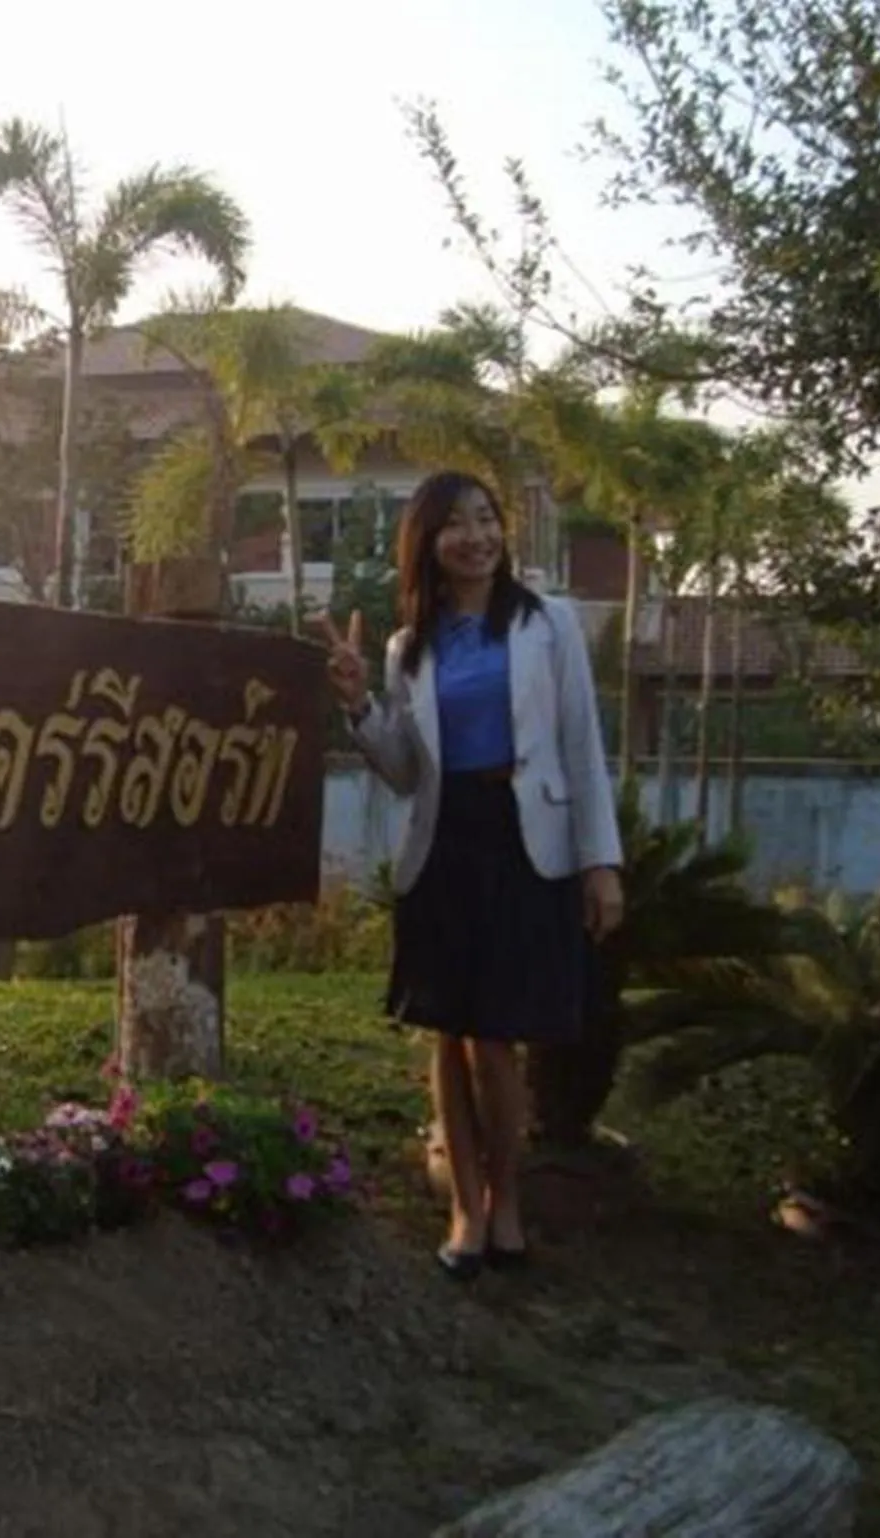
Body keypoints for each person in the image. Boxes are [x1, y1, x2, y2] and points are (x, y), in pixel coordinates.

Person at [321, 469, 624, 1280]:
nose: (475, 536)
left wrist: (600, 863)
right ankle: (465, 1210)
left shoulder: (548, 623)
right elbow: (404, 771)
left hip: (526, 842)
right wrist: (358, 706)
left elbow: (581, 748)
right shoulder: (408, 647)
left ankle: (506, 1203)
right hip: (444, 843)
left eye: (485, 518)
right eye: (455, 524)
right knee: (448, 1030)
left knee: (495, 1036)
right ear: (427, 543)